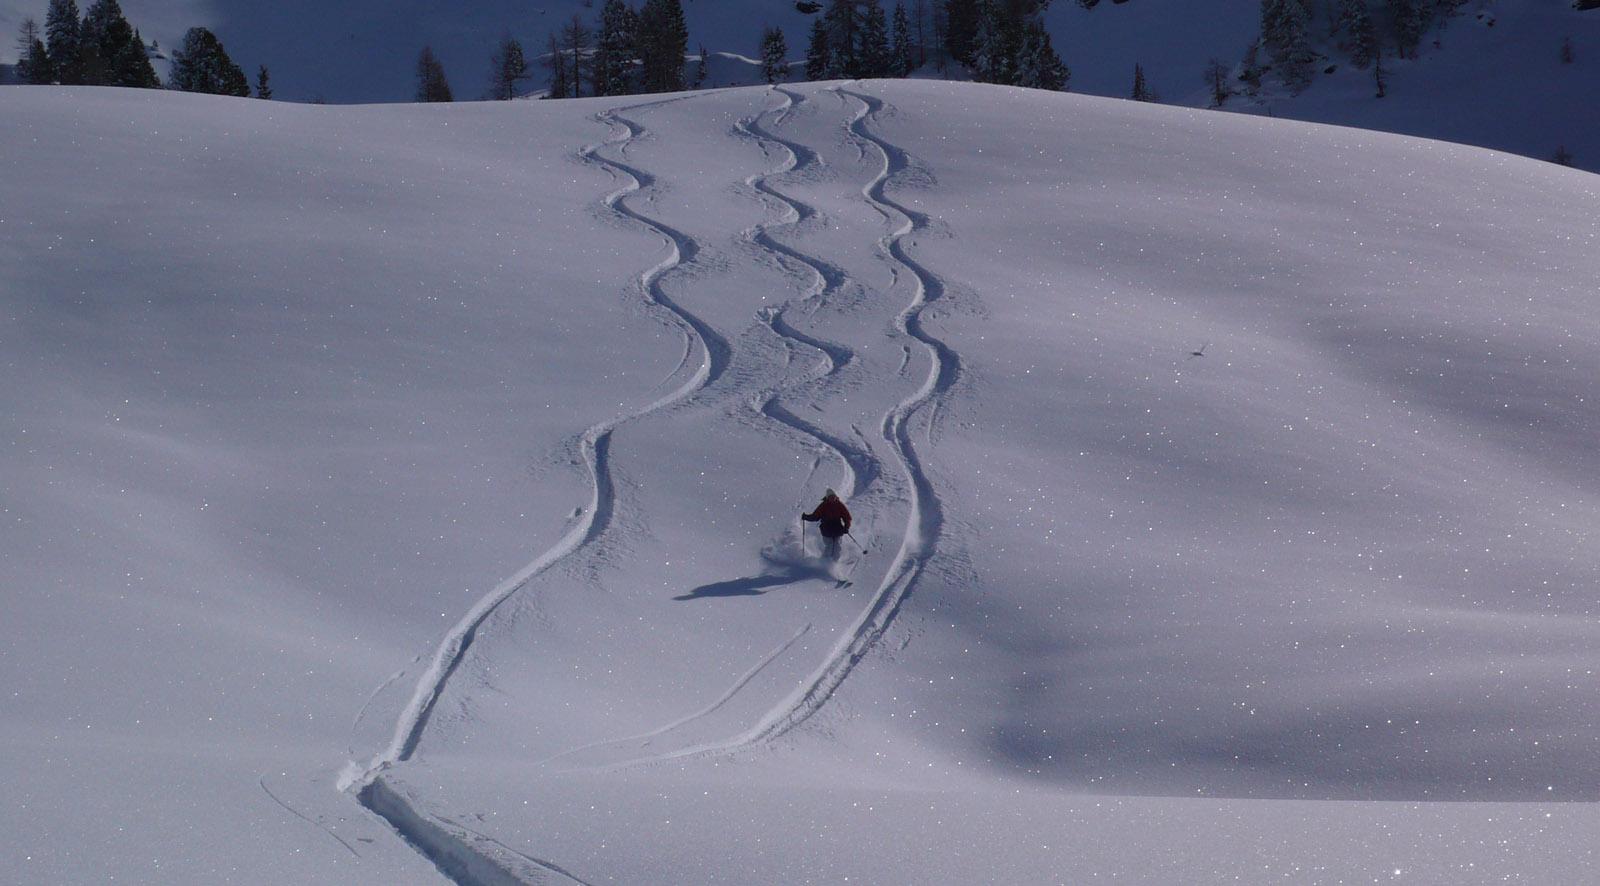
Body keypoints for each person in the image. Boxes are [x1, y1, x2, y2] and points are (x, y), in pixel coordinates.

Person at [802, 488, 852, 560]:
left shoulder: (839, 505)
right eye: (830, 497)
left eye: (833, 496)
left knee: (837, 546)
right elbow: (815, 516)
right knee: (829, 546)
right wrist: (806, 517)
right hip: (826, 529)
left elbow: (847, 517)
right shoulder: (823, 505)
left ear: (835, 496)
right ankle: (824, 562)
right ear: (827, 497)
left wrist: (846, 527)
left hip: (837, 529)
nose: (832, 498)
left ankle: (834, 562)